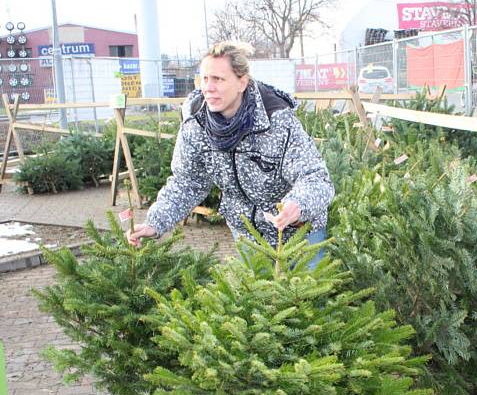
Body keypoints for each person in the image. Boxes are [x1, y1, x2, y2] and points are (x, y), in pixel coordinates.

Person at [127, 41, 333, 263]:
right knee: (255, 297)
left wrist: (298, 205)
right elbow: (187, 182)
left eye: (218, 79)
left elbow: (316, 178)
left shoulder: (277, 120)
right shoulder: (196, 125)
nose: (209, 87)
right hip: (247, 234)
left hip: (298, 233)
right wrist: (154, 223)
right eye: (205, 78)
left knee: (306, 295)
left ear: (241, 82)